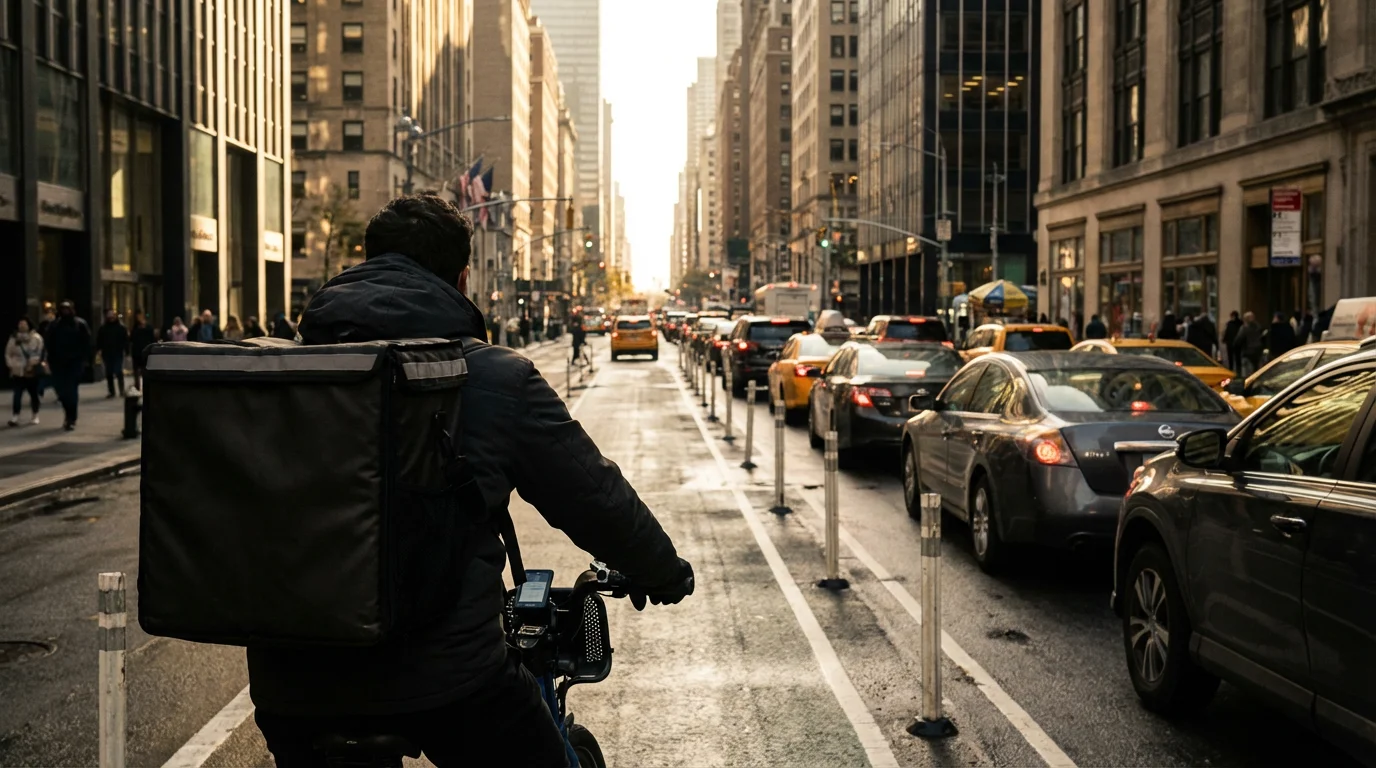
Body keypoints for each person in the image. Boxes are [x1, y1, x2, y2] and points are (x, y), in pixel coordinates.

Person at [252, 195, 693, 767]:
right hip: (447, 680)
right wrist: (661, 569)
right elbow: (592, 495)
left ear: (365, 261)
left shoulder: (286, 375)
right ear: (462, 279)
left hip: (291, 683)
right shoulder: (491, 376)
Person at [44, 301, 91, 431]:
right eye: (63, 309)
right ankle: (68, 414)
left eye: (67, 309)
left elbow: (86, 343)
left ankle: (71, 418)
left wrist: (85, 360)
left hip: (74, 362)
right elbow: (48, 342)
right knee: (61, 391)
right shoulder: (54, 325)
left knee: (71, 390)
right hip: (58, 363)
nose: (65, 312)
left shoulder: (80, 324)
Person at [6, 317, 44, 426]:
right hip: (17, 370)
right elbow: (8, 353)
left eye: (24, 324)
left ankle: (35, 415)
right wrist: (11, 365)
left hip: (31, 370)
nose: (21, 326)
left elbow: (39, 353)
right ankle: (15, 416)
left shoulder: (36, 338)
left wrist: (32, 364)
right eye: (20, 323)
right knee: (17, 394)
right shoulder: (13, 339)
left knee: (33, 394)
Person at [96, 309, 130, 398]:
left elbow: (125, 340)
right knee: (109, 372)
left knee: (118, 371)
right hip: (107, 353)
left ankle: (121, 390)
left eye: (113, 315)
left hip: (118, 352)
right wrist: (99, 350)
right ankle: (112, 391)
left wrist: (126, 351)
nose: (111, 317)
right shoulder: (103, 328)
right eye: (109, 315)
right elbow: (99, 340)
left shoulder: (121, 328)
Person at [129, 311, 156, 391]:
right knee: (136, 370)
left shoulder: (148, 328)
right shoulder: (135, 328)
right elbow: (131, 339)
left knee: (145, 370)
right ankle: (137, 386)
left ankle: (146, 386)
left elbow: (152, 339)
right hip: (137, 351)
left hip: (146, 351)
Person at [1238, 311, 1264, 377]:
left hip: (1248, 351)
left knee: (1248, 370)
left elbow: (1238, 339)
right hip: (1257, 350)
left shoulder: (1244, 328)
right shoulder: (1258, 326)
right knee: (1257, 369)